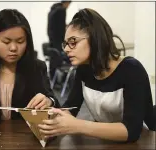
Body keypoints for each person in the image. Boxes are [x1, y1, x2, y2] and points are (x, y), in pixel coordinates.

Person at [39, 8, 155, 142]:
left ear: (95, 38)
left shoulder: (132, 70)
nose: (66, 49)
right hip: (104, 141)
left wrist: (77, 125)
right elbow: (71, 107)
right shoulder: (83, 69)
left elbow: (131, 131)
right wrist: (50, 106)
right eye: (66, 44)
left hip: (143, 141)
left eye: (73, 42)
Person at [47, 0, 71, 79]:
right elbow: (61, 29)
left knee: (53, 58)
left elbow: (55, 25)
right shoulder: (62, 10)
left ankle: (53, 78)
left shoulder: (53, 10)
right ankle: (66, 80)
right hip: (58, 40)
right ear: (67, 3)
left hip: (52, 39)